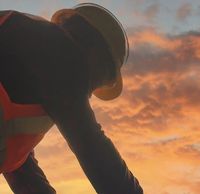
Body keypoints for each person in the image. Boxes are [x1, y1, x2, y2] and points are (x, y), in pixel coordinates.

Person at [0, 3, 143, 194]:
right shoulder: (61, 56)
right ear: (96, 55)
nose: (91, 92)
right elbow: (94, 151)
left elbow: (18, 163)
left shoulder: (28, 43)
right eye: (101, 80)